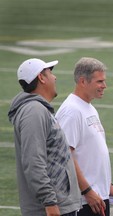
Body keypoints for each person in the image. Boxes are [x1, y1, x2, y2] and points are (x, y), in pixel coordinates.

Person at [7, 58, 82, 216]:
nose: (54, 78)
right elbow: (33, 161)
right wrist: (49, 202)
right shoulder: (34, 111)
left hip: (59, 205)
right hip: (51, 209)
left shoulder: (40, 109)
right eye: (50, 73)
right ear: (41, 78)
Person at [55, 57, 113, 216]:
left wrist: (107, 186)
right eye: (99, 81)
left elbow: (91, 152)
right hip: (84, 201)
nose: (104, 86)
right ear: (83, 81)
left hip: (97, 196)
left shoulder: (88, 107)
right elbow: (65, 157)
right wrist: (87, 191)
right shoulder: (71, 111)